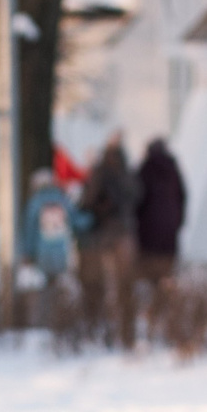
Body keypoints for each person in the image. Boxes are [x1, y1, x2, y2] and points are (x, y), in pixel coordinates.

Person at [78, 134, 137, 347]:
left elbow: (87, 201)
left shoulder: (100, 172)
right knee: (124, 289)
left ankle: (102, 333)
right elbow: (138, 196)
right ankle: (126, 334)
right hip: (125, 236)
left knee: (101, 288)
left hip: (103, 238)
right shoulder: (128, 172)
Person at [134, 138, 186, 280]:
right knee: (166, 273)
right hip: (169, 230)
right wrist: (178, 221)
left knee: (149, 273)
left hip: (148, 230)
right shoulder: (173, 170)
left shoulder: (146, 168)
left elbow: (137, 199)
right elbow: (182, 197)